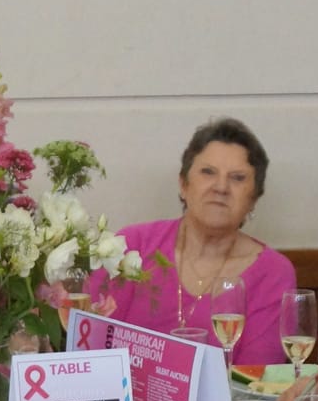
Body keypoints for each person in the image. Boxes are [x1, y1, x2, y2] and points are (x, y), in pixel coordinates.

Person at [93, 117, 298, 363]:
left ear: (254, 198)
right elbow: (93, 344)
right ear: (183, 184)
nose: (221, 187)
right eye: (208, 172)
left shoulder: (273, 273)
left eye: (238, 178)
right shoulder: (133, 245)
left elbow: (255, 379)